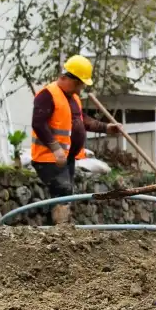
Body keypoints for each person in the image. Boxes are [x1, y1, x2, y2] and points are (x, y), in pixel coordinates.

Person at [31, 55, 124, 224]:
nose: (80, 88)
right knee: (62, 190)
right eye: (78, 83)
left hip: (66, 157)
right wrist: (56, 148)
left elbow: (82, 120)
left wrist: (106, 127)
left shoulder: (72, 97)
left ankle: (59, 228)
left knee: (64, 193)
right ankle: (60, 230)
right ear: (65, 78)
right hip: (49, 157)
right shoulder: (47, 94)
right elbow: (38, 124)